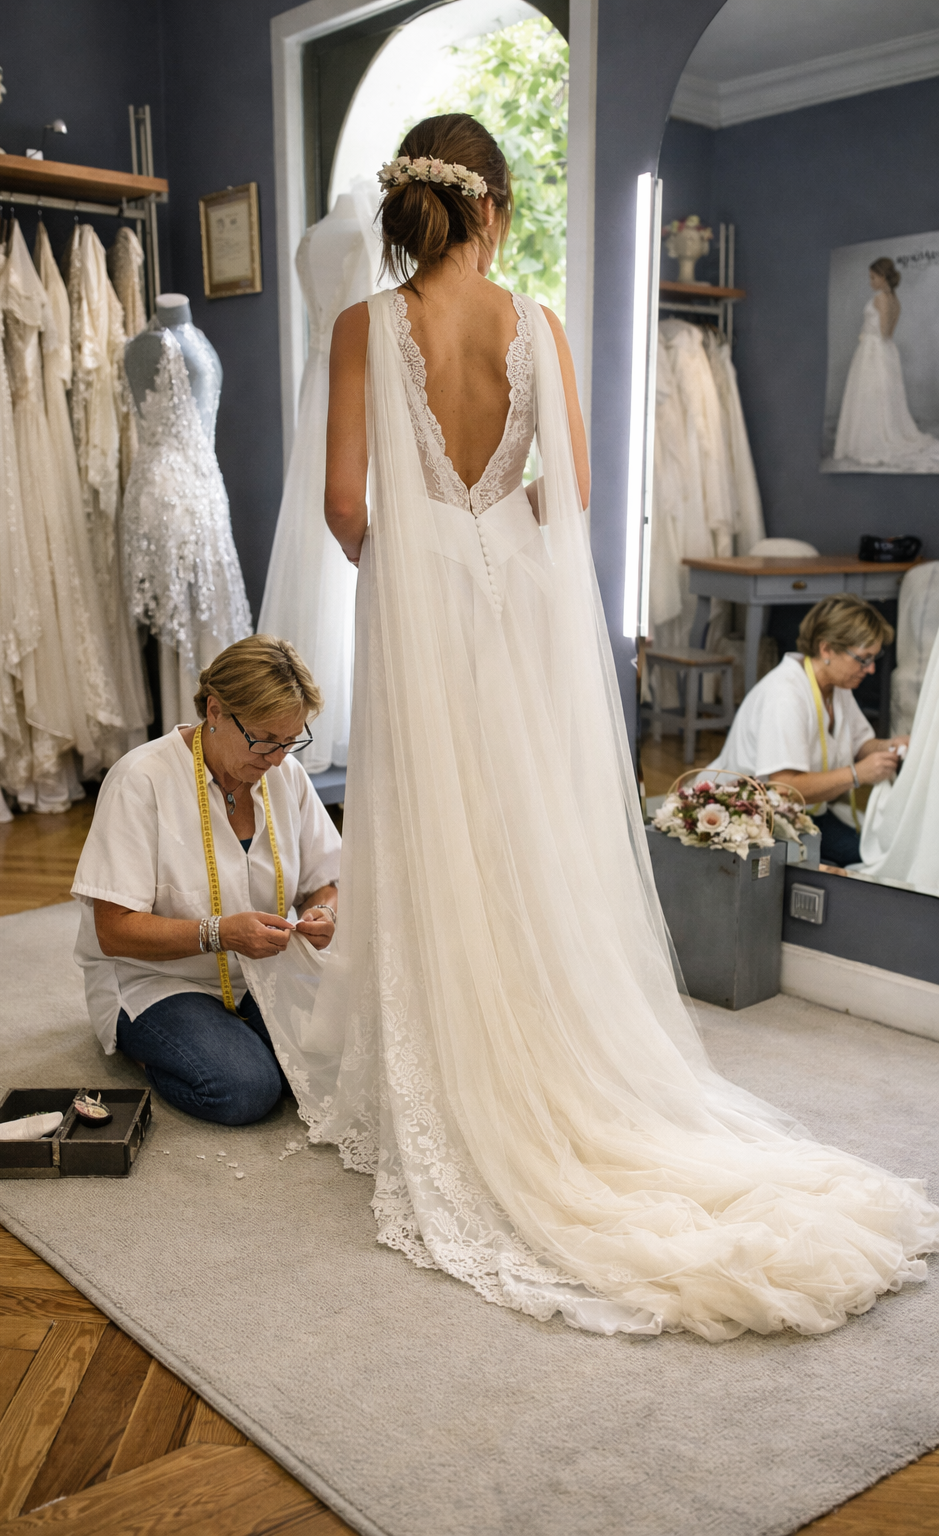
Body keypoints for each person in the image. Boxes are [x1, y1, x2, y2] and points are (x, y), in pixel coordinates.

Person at [271, 113, 936, 1342]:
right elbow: (562, 493)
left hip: (419, 616)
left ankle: (450, 1056)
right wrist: (487, 551)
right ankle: (533, 1033)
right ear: (494, 209)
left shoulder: (369, 326)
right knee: (520, 822)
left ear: (409, 206)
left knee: (431, 822)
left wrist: (411, 558)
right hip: (513, 615)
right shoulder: (539, 328)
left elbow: (345, 506)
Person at [71, 635, 341, 1125]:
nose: (277, 758)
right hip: (157, 980)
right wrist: (218, 933)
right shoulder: (141, 780)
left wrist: (325, 912)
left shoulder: (285, 773)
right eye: (264, 739)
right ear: (215, 710)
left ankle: (241, 1039)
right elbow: (113, 930)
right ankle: (144, 1045)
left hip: (260, 973)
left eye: (291, 740)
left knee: (340, 1059)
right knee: (247, 1090)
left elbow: (328, 880)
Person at [709, 595, 907, 867]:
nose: (871, 669)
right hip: (751, 822)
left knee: (879, 855)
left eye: (874, 658)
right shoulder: (785, 695)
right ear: (826, 649)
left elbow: (862, 744)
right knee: (872, 865)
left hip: (802, 813)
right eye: (863, 659)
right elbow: (786, 787)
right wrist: (857, 774)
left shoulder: (836, 686)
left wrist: (891, 746)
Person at [833, 257, 939, 470]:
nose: (870, 281)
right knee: (882, 395)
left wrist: (866, 336)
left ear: (882, 277)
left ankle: (868, 440)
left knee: (871, 395)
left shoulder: (881, 298)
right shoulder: (895, 299)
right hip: (886, 350)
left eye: (873, 277)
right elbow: (890, 333)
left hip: (873, 350)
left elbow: (883, 332)